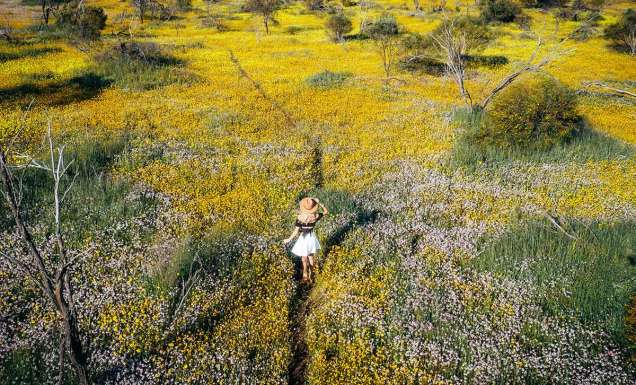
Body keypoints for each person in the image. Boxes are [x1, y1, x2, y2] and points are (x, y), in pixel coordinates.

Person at [283, 197, 328, 283]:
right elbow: (326, 211)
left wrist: (288, 239)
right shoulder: (315, 216)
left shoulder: (300, 218)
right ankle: (312, 274)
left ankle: (305, 275)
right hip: (311, 238)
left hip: (303, 239)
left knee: (304, 258)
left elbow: (295, 232)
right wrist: (320, 203)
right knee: (311, 257)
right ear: (313, 207)